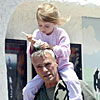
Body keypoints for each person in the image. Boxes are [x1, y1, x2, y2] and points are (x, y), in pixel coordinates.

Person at [23, 2, 83, 100]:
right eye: (40, 25)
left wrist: (51, 47)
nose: (43, 29)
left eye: (46, 26)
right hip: (45, 70)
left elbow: (66, 53)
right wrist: (32, 44)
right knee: (28, 90)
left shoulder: (61, 34)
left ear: (54, 23)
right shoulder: (37, 33)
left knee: (72, 82)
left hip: (63, 67)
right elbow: (30, 55)